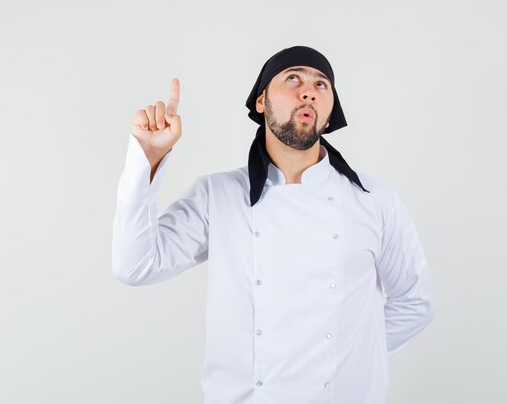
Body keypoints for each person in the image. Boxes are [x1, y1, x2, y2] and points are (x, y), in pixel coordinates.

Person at [112, 45, 434, 404]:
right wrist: (148, 159)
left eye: (321, 83)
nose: (308, 89)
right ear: (261, 101)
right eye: (293, 77)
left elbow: (414, 303)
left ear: (328, 114)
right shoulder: (217, 195)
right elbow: (135, 266)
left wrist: (348, 358)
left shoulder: (375, 199)